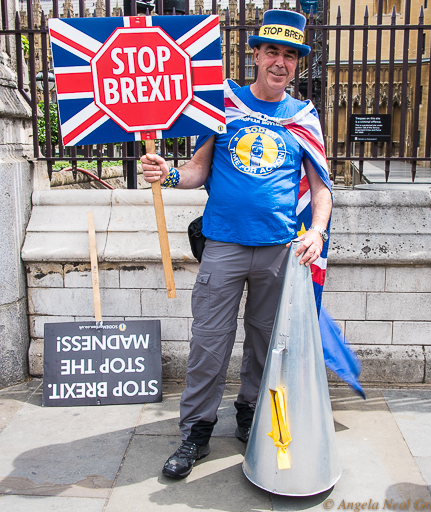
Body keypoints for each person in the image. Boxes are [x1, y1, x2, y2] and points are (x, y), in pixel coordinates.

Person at [141, 9, 333, 480]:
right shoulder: (221, 103)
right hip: (223, 245)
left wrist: (317, 230)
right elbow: (198, 171)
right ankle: (196, 432)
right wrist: (166, 173)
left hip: (280, 251)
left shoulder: (305, 117)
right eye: (272, 51)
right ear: (255, 55)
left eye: (290, 55)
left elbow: (322, 188)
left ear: (297, 64)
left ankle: (254, 416)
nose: (280, 62)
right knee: (209, 342)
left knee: (270, 346)